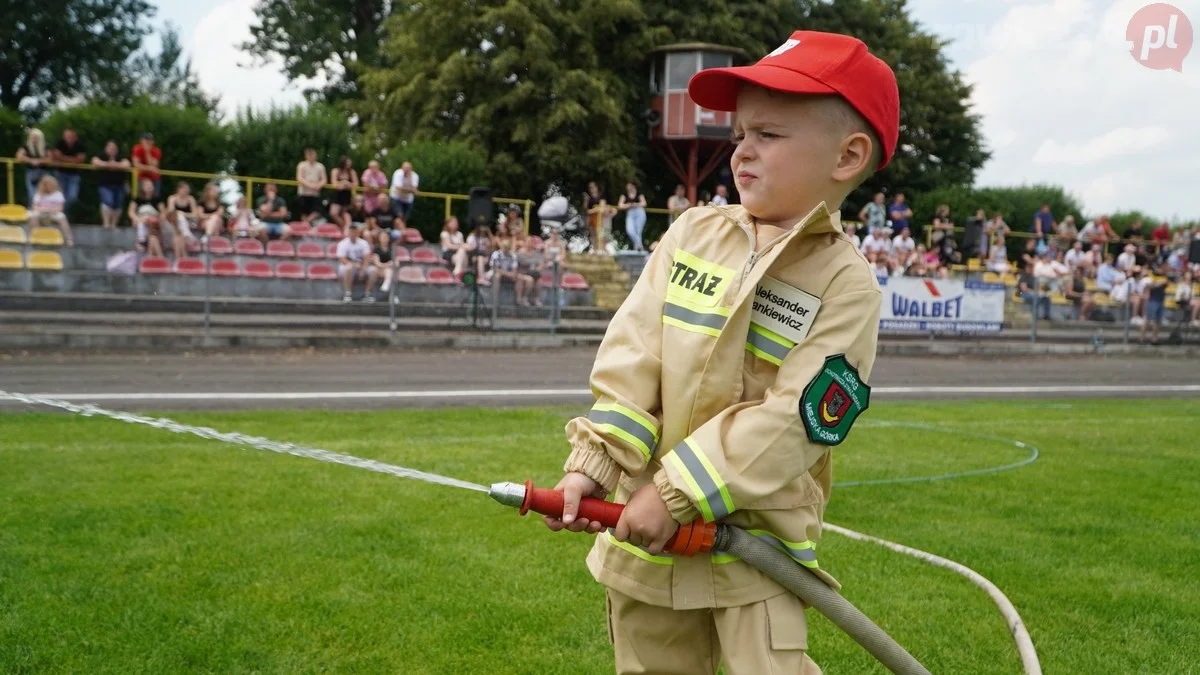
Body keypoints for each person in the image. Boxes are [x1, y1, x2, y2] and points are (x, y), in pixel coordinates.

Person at [542, 30, 896, 675]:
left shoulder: (846, 285)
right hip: (645, 544)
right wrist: (594, 463)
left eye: (769, 135)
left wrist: (677, 491)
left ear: (847, 156)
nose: (742, 152)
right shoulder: (692, 235)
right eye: (739, 135)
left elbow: (797, 420)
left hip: (752, 557)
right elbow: (634, 357)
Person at [91, 140, 131, 229]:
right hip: (105, 185)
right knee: (107, 201)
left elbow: (127, 164)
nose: (112, 150)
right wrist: (108, 164)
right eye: (110, 148)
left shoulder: (120, 157)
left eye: (114, 148)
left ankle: (114, 224)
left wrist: (114, 165)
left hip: (119, 185)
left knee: (118, 205)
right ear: (106, 148)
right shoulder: (102, 156)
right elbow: (95, 161)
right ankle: (106, 223)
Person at [27, 174, 75, 246]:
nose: (48, 186)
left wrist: (50, 210)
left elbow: (60, 208)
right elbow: (34, 207)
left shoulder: (58, 194)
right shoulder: (38, 194)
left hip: (54, 213)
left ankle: (69, 239)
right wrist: (42, 209)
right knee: (33, 216)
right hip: (41, 212)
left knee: (62, 217)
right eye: (46, 185)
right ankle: (35, 235)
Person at [336, 224, 376, 302]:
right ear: (348, 233)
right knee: (349, 267)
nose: (353, 234)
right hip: (347, 267)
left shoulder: (363, 243)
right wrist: (353, 265)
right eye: (351, 232)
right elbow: (342, 259)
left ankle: (367, 294)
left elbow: (367, 258)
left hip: (361, 266)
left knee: (374, 270)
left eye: (355, 232)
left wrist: (363, 269)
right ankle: (348, 294)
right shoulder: (342, 243)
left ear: (358, 233)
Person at [127, 178, 164, 258]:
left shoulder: (157, 199)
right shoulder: (137, 199)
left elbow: (163, 212)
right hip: (141, 219)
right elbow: (131, 212)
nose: (149, 187)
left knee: (149, 221)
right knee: (143, 220)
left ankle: (144, 241)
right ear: (142, 187)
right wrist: (137, 219)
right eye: (147, 186)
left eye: (150, 186)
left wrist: (158, 219)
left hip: (153, 220)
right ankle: (141, 239)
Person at [15, 128, 49, 206]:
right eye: (32, 137)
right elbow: (19, 156)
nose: (33, 139)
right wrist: (31, 160)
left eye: (35, 137)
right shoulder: (26, 146)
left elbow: (50, 159)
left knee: (44, 195)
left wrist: (39, 161)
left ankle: (44, 213)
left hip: (44, 173)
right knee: (32, 195)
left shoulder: (46, 146)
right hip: (31, 173)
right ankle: (33, 213)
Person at [295, 148, 327, 223]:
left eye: (313, 154)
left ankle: (304, 224)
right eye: (309, 155)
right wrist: (310, 185)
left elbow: (324, 179)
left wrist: (319, 185)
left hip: (315, 194)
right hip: (304, 192)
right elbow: (299, 178)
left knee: (316, 212)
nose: (311, 156)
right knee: (304, 213)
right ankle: (305, 228)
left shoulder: (320, 166)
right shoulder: (302, 165)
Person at [618, 181, 648, 252]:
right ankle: (640, 246)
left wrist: (635, 204)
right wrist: (628, 205)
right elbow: (620, 205)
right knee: (630, 230)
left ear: (633, 186)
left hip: (639, 212)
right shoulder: (624, 194)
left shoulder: (639, 193)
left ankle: (637, 249)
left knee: (638, 232)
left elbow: (644, 203)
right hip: (630, 212)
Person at [329, 156, 358, 227]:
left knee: (345, 214)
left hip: (347, 195)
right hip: (337, 195)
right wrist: (343, 183)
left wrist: (346, 184)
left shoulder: (352, 172)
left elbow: (355, 184)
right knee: (333, 213)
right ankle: (343, 226)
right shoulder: (335, 171)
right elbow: (334, 184)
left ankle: (345, 229)